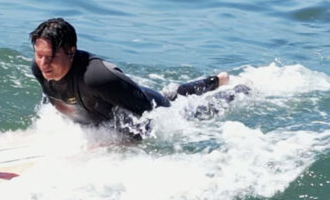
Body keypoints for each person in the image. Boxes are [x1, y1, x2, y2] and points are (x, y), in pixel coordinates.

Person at [29, 18, 243, 136]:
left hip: (154, 107)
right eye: (39, 56)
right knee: (172, 94)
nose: (44, 63)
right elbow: (56, 97)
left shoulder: (97, 77)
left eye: (51, 56)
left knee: (190, 110)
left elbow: (150, 118)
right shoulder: (40, 68)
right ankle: (216, 79)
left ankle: (240, 89)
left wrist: (121, 143)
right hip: (114, 102)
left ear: (71, 50)